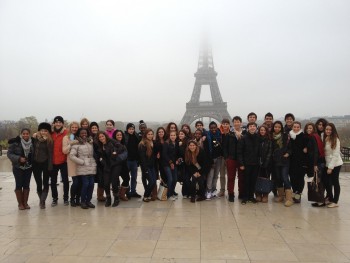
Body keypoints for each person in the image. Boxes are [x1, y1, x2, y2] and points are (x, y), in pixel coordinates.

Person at [95, 132, 127, 207]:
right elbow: (99, 156)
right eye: (100, 137)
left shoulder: (112, 141)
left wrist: (115, 153)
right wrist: (101, 161)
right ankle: (108, 198)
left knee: (114, 181)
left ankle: (116, 198)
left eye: (102, 136)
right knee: (106, 183)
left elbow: (121, 148)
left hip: (116, 164)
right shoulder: (99, 145)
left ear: (105, 136)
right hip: (107, 165)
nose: (101, 138)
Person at [69, 128, 97, 209]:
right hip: (82, 167)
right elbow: (71, 156)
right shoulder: (76, 144)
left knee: (91, 185)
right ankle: (83, 201)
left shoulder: (90, 143)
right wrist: (82, 162)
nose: (84, 135)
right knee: (85, 184)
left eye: (85, 133)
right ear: (78, 134)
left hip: (91, 166)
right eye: (82, 133)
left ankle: (88, 201)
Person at [7, 128, 34, 210]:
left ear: (29, 134)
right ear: (21, 134)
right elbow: (9, 153)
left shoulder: (33, 142)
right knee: (19, 184)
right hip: (18, 167)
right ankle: (20, 204)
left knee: (26, 185)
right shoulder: (15, 142)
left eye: (27, 133)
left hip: (28, 167)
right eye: (24, 133)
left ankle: (25, 203)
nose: (25, 135)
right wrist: (18, 158)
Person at [303, 122, 326, 207]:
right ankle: (319, 199)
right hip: (317, 162)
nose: (309, 130)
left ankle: (320, 201)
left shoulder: (313, 137)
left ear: (313, 129)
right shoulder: (314, 136)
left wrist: (315, 164)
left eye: (310, 128)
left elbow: (316, 151)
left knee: (318, 181)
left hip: (317, 162)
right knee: (317, 181)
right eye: (307, 128)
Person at [223, 116, 245, 202]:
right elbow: (225, 147)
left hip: (241, 159)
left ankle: (241, 193)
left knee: (241, 177)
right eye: (235, 122)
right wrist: (227, 158)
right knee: (231, 177)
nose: (236, 123)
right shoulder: (229, 134)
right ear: (233, 123)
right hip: (231, 158)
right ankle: (231, 194)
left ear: (241, 123)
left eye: (238, 121)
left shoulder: (245, 133)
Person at [271, 121, 293, 207]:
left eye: (279, 127)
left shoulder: (286, 136)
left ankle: (289, 198)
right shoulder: (271, 136)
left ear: (281, 128)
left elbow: (290, 148)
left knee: (285, 177)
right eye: (275, 127)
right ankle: (281, 196)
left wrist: (288, 153)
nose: (277, 128)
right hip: (275, 161)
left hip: (284, 160)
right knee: (278, 178)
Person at [238, 122, 260, 204]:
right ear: (248, 128)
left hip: (255, 163)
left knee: (253, 180)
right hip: (246, 163)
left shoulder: (258, 137)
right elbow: (239, 152)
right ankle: (245, 197)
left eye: (254, 126)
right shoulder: (243, 138)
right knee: (246, 180)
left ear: (256, 128)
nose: (252, 127)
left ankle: (251, 196)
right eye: (250, 126)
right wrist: (241, 164)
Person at [32, 122, 53, 209]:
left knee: (45, 182)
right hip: (36, 163)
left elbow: (50, 154)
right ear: (39, 131)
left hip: (45, 163)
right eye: (42, 130)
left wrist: (50, 166)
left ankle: (42, 201)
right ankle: (41, 198)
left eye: (45, 131)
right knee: (38, 183)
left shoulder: (50, 141)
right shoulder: (35, 139)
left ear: (48, 132)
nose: (43, 132)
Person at [50, 116, 69, 206]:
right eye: (56, 122)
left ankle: (66, 198)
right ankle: (54, 198)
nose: (58, 124)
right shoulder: (50, 133)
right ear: (54, 123)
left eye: (60, 122)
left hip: (64, 160)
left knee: (65, 180)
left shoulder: (67, 132)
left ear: (62, 124)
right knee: (53, 181)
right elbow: (40, 134)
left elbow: (74, 138)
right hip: (53, 161)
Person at [324, 123, 343, 208]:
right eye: (327, 129)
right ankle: (330, 198)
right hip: (327, 163)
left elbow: (335, 154)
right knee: (326, 182)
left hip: (335, 164)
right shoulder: (325, 138)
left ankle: (335, 201)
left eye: (330, 130)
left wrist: (331, 167)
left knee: (335, 182)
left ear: (333, 130)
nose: (328, 131)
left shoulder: (336, 139)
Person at [289, 121, 308, 203]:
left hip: (301, 161)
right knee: (293, 178)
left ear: (300, 128)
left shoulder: (303, 136)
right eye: (294, 127)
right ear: (292, 127)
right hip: (292, 161)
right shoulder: (289, 136)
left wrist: (306, 148)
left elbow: (308, 146)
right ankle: (294, 193)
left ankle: (298, 194)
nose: (296, 128)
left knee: (300, 178)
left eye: (297, 127)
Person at [62, 121, 80, 207]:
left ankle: (78, 199)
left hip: (81, 162)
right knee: (75, 182)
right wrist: (71, 144)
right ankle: (72, 199)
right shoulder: (66, 138)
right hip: (71, 162)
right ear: (70, 128)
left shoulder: (80, 136)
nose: (74, 129)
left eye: (76, 127)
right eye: (73, 127)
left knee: (81, 181)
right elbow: (64, 151)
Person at [205, 121, 223, 200]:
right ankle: (208, 190)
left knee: (215, 176)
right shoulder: (207, 136)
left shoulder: (220, 135)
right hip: (211, 159)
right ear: (209, 128)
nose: (213, 129)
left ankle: (213, 190)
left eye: (214, 127)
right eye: (211, 128)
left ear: (217, 127)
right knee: (210, 175)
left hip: (219, 158)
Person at [138, 128, 157, 202]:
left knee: (153, 182)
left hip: (152, 166)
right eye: (148, 134)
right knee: (151, 182)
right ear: (145, 135)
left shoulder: (153, 142)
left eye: (151, 134)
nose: (150, 135)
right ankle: (146, 196)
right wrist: (145, 170)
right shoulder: (142, 144)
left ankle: (148, 194)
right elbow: (142, 159)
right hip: (146, 166)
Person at [89, 121, 106, 202]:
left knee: (101, 179)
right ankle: (88, 197)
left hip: (100, 161)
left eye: (95, 127)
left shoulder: (100, 136)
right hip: (91, 161)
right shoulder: (88, 137)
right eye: (92, 128)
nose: (94, 129)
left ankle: (100, 195)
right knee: (90, 180)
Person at [124, 123, 142, 198]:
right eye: (130, 129)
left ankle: (133, 191)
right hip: (127, 160)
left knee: (134, 177)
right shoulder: (124, 136)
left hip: (134, 160)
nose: (131, 130)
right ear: (127, 129)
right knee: (127, 177)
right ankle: (127, 192)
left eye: (132, 129)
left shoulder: (136, 136)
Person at [112, 130, 131, 201]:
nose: (119, 136)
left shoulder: (124, 144)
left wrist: (117, 156)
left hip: (123, 164)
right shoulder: (112, 144)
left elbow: (125, 154)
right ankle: (116, 196)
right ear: (115, 136)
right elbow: (111, 155)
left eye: (121, 135)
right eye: (118, 135)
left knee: (127, 179)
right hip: (115, 165)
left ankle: (122, 194)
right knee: (116, 181)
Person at [257, 125, 272, 203]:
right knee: (258, 178)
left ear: (266, 131)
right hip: (257, 163)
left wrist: (266, 162)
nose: (262, 131)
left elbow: (269, 152)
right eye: (261, 130)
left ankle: (265, 194)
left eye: (264, 130)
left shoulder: (269, 141)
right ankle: (258, 193)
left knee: (266, 178)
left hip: (267, 164)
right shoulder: (256, 139)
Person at [162, 130, 179, 200]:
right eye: (171, 135)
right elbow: (164, 154)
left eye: (174, 135)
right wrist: (170, 162)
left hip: (174, 164)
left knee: (175, 179)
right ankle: (168, 195)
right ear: (169, 136)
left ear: (176, 136)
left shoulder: (177, 143)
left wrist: (178, 160)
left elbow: (177, 154)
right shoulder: (166, 143)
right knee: (170, 179)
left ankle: (172, 192)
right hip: (167, 164)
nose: (173, 136)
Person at [218, 118, 230, 197]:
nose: (225, 125)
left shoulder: (232, 133)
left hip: (229, 157)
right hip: (222, 157)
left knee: (230, 175)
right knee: (222, 175)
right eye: (224, 124)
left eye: (226, 124)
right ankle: (222, 190)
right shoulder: (218, 133)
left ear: (229, 125)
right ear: (221, 124)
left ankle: (230, 190)